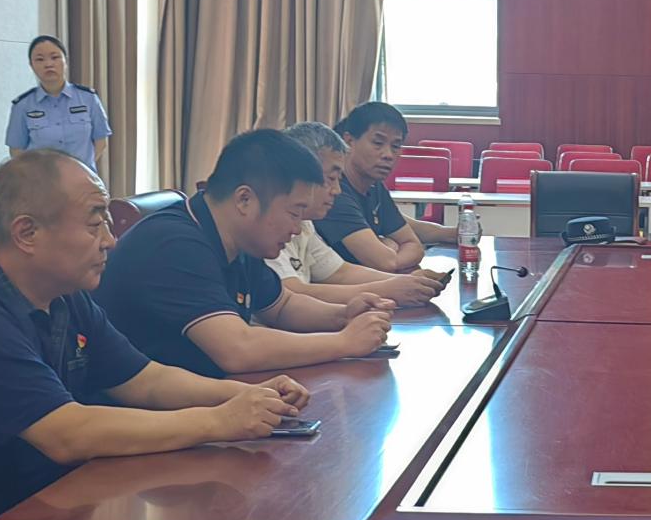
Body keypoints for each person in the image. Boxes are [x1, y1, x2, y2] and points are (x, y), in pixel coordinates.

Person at [0, 149, 308, 520]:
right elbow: (67, 433)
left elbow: (145, 380)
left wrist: (248, 396)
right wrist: (219, 421)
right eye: (94, 223)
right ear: (27, 233)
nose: (110, 241)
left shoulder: (63, 297)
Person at [95, 129, 396, 377]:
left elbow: (282, 306)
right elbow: (238, 350)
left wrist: (344, 314)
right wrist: (343, 342)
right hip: (138, 412)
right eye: (294, 213)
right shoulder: (174, 243)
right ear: (244, 200)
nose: (297, 228)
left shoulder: (237, 238)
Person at [273, 122, 447, 308]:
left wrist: (405, 281)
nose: (337, 191)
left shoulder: (305, 224)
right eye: (331, 179)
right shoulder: (269, 225)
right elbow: (289, 294)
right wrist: (387, 289)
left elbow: (339, 272)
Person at [316, 102, 452, 273]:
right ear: (349, 142)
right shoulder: (334, 193)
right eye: (378, 143)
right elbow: (384, 262)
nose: (388, 155)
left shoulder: (374, 186)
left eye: (395, 146)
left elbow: (414, 246)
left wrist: (391, 251)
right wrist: (391, 250)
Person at [5, 35, 111, 176]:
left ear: (65, 61)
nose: (48, 64)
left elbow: (101, 141)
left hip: (83, 180)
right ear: (31, 65)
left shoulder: (88, 98)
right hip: (42, 183)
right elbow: (16, 150)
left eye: (55, 57)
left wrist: (82, 169)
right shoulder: (23, 105)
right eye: (40, 59)